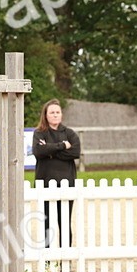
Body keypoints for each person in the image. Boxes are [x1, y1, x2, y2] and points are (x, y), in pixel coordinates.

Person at [32, 99, 81, 248]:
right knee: (46, 223)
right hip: (45, 183)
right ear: (45, 115)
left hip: (67, 183)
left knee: (65, 222)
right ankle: (47, 259)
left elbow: (75, 152)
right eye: (52, 112)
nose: (55, 115)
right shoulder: (39, 133)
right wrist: (62, 146)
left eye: (57, 112)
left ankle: (65, 258)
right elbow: (38, 151)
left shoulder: (69, 133)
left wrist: (50, 150)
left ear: (61, 114)